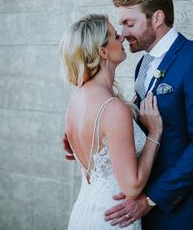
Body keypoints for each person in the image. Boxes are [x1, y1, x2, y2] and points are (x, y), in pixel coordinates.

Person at [102, 0, 193, 229]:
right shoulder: (143, 64)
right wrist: (97, 135)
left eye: (129, 23)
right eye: (121, 24)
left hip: (187, 211)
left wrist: (151, 199)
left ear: (157, 18)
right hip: (145, 207)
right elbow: (140, 125)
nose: (124, 33)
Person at [59, 14, 163, 230]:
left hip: (84, 213)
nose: (123, 38)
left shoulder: (75, 101)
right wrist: (154, 133)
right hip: (113, 219)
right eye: (116, 36)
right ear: (103, 51)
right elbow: (132, 187)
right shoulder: (112, 108)